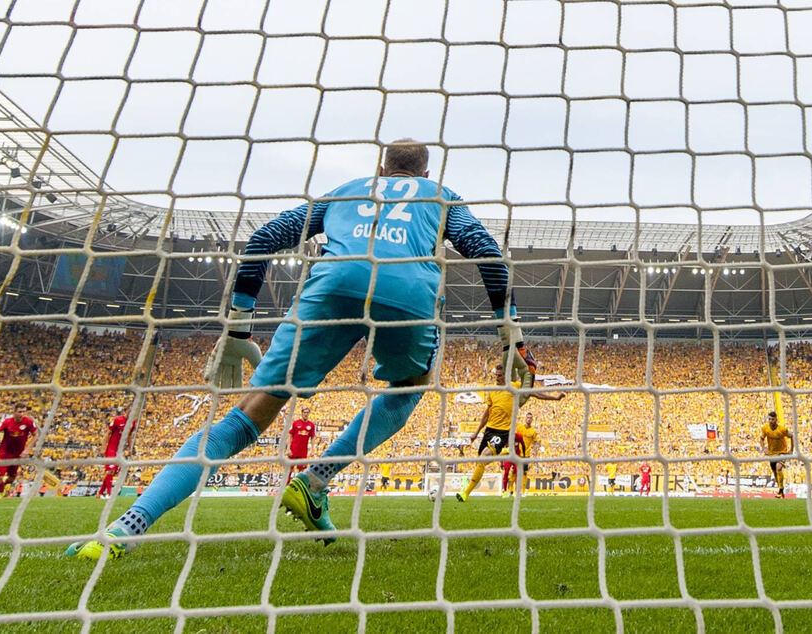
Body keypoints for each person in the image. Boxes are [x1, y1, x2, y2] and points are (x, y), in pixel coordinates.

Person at [66, 138, 530, 560]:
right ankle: (316, 478)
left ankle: (124, 528)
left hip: (333, 284)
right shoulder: (441, 196)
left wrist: (238, 331)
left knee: (243, 417)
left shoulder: (346, 190)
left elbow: (263, 239)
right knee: (408, 388)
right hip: (408, 291)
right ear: (427, 175)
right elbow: (487, 252)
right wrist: (509, 334)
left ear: (380, 169)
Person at [457, 364, 564, 502]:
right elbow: (486, 414)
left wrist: (555, 398)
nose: (497, 378)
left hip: (502, 432)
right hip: (489, 430)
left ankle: (465, 493)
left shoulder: (515, 387)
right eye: (496, 375)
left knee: (483, 458)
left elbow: (535, 393)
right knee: (481, 461)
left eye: (500, 376)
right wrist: (476, 432)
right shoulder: (492, 391)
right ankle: (505, 452)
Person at [0, 403, 37, 499]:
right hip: (4, 453)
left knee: (12, 478)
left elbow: (36, 435)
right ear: (14, 412)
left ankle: (4, 488)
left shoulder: (28, 422)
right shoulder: (7, 422)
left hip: (18, 454)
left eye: (23, 412)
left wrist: (27, 449)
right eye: (19, 412)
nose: (22, 414)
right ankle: (1, 493)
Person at [97, 409, 132, 499]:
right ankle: (109, 494)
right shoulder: (117, 420)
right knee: (111, 470)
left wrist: (130, 448)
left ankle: (100, 493)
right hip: (111, 448)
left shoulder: (132, 423)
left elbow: (129, 436)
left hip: (119, 450)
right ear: (126, 412)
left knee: (113, 472)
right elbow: (108, 433)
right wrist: (103, 447)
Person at [502, 411, 538, 497]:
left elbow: (535, 442)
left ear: (532, 420)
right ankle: (510, 490)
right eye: (528, 417)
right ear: (525, 419)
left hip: (526, 455)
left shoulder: (533, 431)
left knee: (524, 473)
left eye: (530, 418)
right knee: (514, 472)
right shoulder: (519, 427)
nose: (529, 419)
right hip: (517, 453)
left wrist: (535, 451)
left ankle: (522, 491)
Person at [759, 410, 792, 498]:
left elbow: (791, 436)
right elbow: (761, 439)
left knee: (779, 467)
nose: (770, 421)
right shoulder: (765, 428)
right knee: (775, 472)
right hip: (772, 453)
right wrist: (764, 448)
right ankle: (781, 491)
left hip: (782, 452)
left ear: (776, 419)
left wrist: (791, 449)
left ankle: (780, 491)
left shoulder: (782, 429)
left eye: (772, 419)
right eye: (769, 419)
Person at [285, 406, 315, 484]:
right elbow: (290, 435)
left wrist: (312, 449)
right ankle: (286, 486)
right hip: (293, 449)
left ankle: (301, 486)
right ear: (302, 413)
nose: (306, 414)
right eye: (304, 412)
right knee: (289, 469)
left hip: (303, 451)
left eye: (307, 413)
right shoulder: (296, 423)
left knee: (302, 470)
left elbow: (312, 437)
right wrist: (288, 448)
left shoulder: (311, 425)